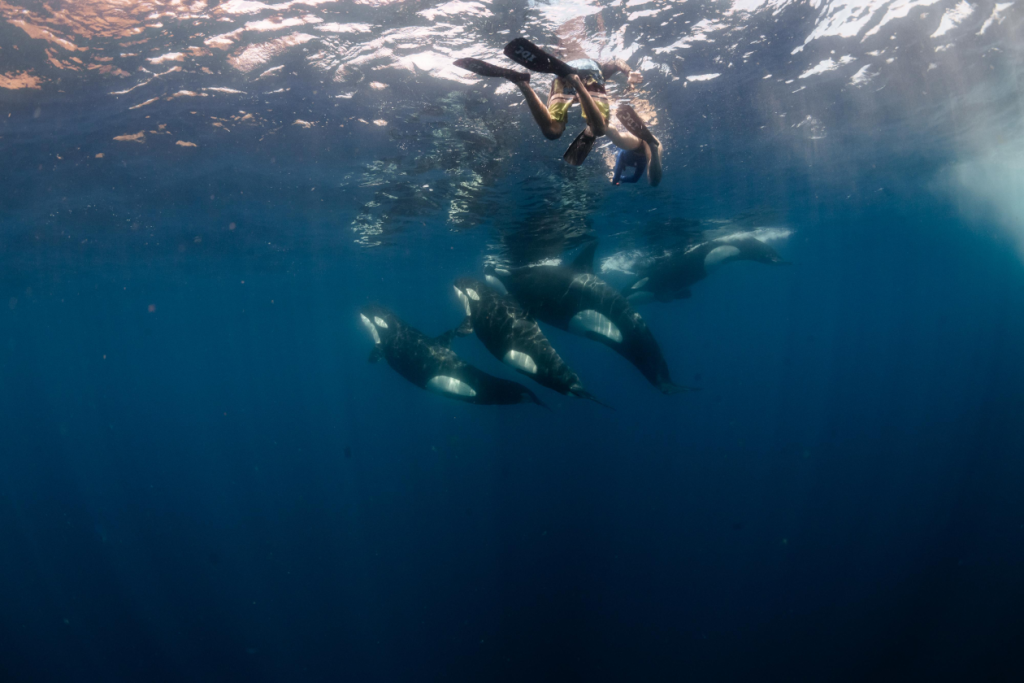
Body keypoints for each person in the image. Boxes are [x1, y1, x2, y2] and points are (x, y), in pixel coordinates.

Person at [454, 37, 662, 186]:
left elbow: (617, 62)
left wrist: (628, 71)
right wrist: (628, 72)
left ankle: (522, 83)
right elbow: (616, 62)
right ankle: (578, 86)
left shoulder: (589, 62)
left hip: (561, 75)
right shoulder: (600, 67)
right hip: (590, 74)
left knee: (553, 131)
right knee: (600, 129)